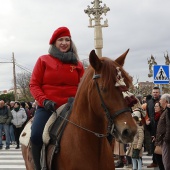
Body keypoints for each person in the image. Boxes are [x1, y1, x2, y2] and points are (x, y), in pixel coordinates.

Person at [29, 26, 84, 170]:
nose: (64, 42)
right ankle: (38, 167)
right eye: (61, 40)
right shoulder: (43, 60)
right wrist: (44, 100)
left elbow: (84, 86)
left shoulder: (77, 64)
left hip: (72, 108)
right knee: (35, 136)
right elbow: (34, 84)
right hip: (49, 107)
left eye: (67, 40)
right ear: (54, 42)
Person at [146, 86, 160, 168]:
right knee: (153, 144)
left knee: (159, 145)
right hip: (151, 125)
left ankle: (159, 161)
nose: (155, 94)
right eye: (154, 92)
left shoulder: (161, 101)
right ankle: (154, 161)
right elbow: (147, 113)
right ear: (152, 93)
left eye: (157, 92)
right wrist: (147, 122)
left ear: (159, 93)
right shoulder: (149, 102)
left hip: (159, 125)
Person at [155, 94, 170, 170]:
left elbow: (168, 125)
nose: (159, 101)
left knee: (166, 162)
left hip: (165, 140)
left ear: (166, 101)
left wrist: (166, 139)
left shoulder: (167, 111)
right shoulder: (165, 111)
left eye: (161, 99)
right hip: (163, 139)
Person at [152, 101, 164, 170]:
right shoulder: (156, 116)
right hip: (158, 138)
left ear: (160, 107)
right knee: (158, 155)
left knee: (159, 156)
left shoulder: (162, 115)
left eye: (156, 106)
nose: (155, 107)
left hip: (162, 139)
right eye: (155, 106)